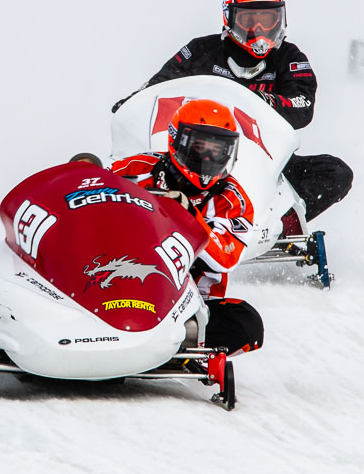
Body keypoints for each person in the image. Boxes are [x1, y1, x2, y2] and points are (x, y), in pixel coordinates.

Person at [113, 0, 353, 227]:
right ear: (230, 18)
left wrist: (260, 101)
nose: (259, 30)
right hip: (198, 149)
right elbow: (159, 85)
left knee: (336, 173)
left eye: (267, 20)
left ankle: (283, 221)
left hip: (264, 156)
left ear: (280, 19)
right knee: (135, 164)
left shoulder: (289, 57)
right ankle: (142, 207)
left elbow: (303, 106)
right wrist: (132, 102)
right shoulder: (200, 50)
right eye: (250, 21)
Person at [110, 99, 263, 356]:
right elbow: (95, 187)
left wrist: (189, 215)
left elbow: (225, 259)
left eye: (218, 150)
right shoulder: (138, 168)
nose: (208, 157)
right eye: (200, 146)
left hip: (188, 304)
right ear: (176, 141)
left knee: (247, 324)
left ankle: (173, 344)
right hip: (119, 282)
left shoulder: (233, 199)